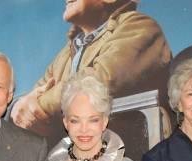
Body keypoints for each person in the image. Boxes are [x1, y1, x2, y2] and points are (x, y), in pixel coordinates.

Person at [10, 0, 171, 147]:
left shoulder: (139, 26)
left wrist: (39, 107)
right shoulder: (64, 55)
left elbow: (99, 81)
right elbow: (32, 97)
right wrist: (17, 108)